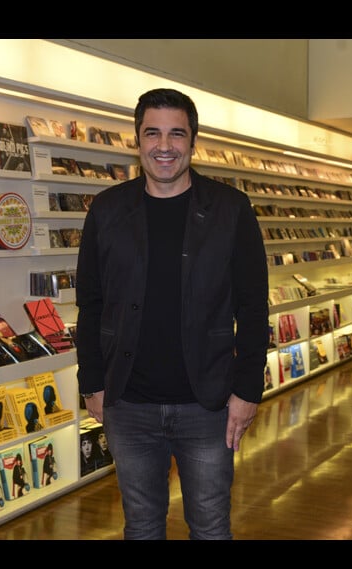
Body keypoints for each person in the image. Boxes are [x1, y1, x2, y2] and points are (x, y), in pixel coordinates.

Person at [75, 88, 269, 540]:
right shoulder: (106, 211)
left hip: (208, 405)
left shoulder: (231, 210)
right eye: (153, 133)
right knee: (141, 527)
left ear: (193, 140)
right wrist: (92, 382)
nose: (165, 146)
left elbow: (254, 306)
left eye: (176, 134)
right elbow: (90, 304)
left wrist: (247, 389)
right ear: (137, 140)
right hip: (129, 404)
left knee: (210, 525)